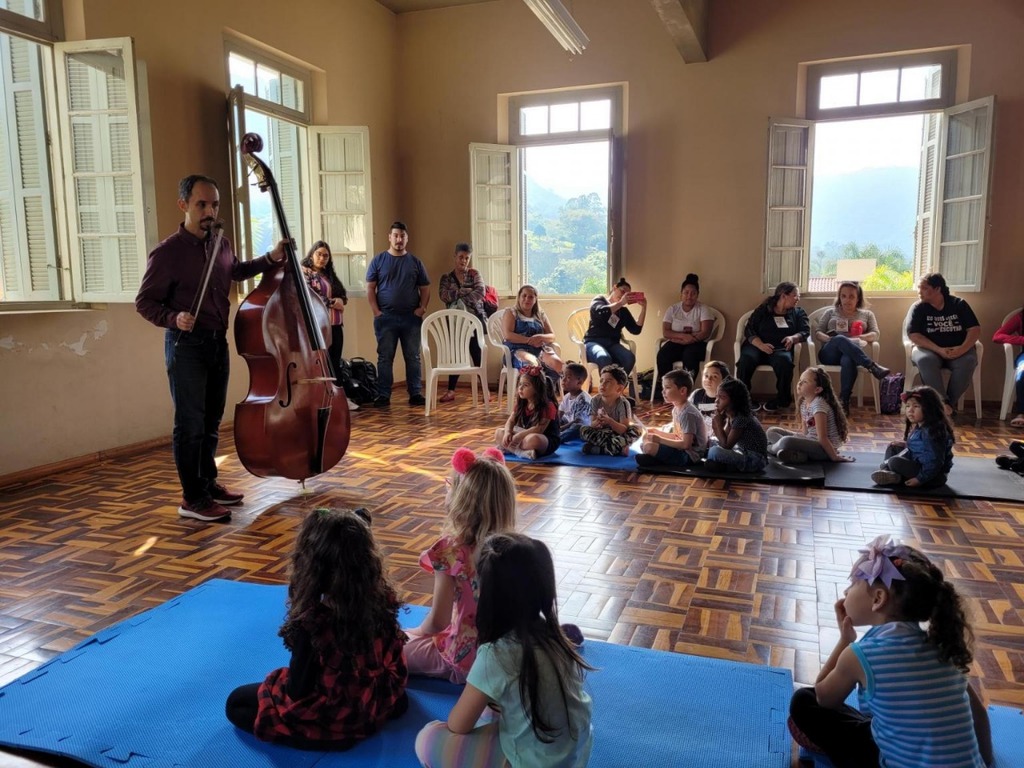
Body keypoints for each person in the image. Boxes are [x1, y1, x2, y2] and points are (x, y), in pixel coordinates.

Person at [135, 174, 287, 523]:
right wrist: (174, 318)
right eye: (202, 204)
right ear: (183, 205)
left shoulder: (221, 243)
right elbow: (144, 302)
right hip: (186, 344)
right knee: (189, 423)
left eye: (214, 204)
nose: (209, 211)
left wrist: (269, 257)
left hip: (217, 342)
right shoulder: (167, 253)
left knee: (211, 420)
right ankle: (192, 498)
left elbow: (235, 272)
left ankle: (208, 483)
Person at [788, 536, 992, 768]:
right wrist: (988, 763)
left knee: (803, 701)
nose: (846, 590)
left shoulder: (859, 655)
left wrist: (845, 640)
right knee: (888, 719)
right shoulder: (942, 646)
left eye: (854, 583)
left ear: (878, 599)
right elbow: (980, 716)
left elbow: (822, 697)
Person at [225, 507, 408, 750]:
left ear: (312, 566)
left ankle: (329, 736)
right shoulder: (384, 600)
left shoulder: (314, 623)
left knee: (236, 702)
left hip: (336, 716)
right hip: (376, 700)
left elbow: (297, 690)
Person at [415, 533, 594, 768]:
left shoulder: (496, 654)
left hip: (530, 762)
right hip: (574, 755)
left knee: (427, 738)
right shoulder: (557, 637)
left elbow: (458, 724)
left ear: (486, 593)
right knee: (496, 708)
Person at [405, 447, 517, 683]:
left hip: (467, 661)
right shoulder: (519, 548)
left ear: (460, 500)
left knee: (392, 651)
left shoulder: (451, 551)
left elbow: (438, 621)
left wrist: (412, 633)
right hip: (510, 658)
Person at [366, 221, 430, 408]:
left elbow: (425, 288)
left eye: (402, 236)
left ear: (407, 238)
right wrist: (376, 312)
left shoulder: (415, 262)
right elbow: (370, 288)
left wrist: (422, 309)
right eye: (395, 235)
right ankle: (384, 395)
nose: (399, 239)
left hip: (411, 318)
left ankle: (415, 393)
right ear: (389, 237)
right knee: (385, 357)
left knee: (413, 357)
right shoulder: (378, 261)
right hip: (385, 318)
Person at [906, 273, 981, 415]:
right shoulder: (919, 308)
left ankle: (947, 405)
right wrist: (938, 349)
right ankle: (942, 403)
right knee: (925, 360)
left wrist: (961, 349)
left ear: (937, 289)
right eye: (918, 288)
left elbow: (975, 329)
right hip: (930, 349)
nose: (919, 291)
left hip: (959, 349)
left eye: (924, 288)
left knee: (969, 361)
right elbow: (913, 334)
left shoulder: (959, 304)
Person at [813, 281, 890, 414]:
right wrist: (831, 339)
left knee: (848, 359)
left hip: (852, 353)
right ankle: (872, 366)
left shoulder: (867, 315)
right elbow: (818, 332)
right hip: (829, 353)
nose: (847, 300)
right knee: (840, 339)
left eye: (851, 296)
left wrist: (860, 337)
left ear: (858, 298)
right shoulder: (830, 312)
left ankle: (844, 401)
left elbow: (875, 334)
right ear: (839, 297)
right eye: (843, 296)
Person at [301, 240, 358, 411]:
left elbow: (343, 297)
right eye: (319, 254)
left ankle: (340, 399)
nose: (322, 258)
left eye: (326, 255)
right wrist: (334, 302)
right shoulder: (306, 273)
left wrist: (340, 301)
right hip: (319, 326)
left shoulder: (329, 275)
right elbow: (311, 296)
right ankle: (322, 400)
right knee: (320, 364)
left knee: (335, 363)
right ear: (312, 254)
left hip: (335, 324)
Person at [736, 281, 809, 413]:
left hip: (780, 349)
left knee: (785, 362)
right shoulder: (763, 310)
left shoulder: (798, 313)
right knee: (746, 360)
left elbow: (805, 331)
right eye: (795, 295)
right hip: (756, 346)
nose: (798, 299)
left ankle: (782, 400)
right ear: (783, 296)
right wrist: (760, 345)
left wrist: (793, 338)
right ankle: (743, 400)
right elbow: (749, 329)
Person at [871, 385, 954, 488]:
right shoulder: (922, 425)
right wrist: (906, 445)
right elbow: (921, 448)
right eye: (908, 406)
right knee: (893, 447)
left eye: (916, 406)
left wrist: (920, 479)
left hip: (933, 476)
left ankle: (895, 477)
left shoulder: (932, 432)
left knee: (894, 461)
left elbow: (934, 461)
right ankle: (887, 472)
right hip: (919, 462)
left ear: (929, 409)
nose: (910, 410)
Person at [767, 367, 853, 464]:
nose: (799, 383)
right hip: (811, 442)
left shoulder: (819, 405)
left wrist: (834, 457)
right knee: (772, 431)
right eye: (800, 380)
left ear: (817, 389)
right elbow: (805, 432)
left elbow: (823, 437)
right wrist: (799, 442)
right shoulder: (804, 403)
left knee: (786, 441)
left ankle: (769, 448)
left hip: (823, 449)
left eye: (805, 382)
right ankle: (798, 455)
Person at [438, 243, 488, 403]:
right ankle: (451, 391)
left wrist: (458, 298)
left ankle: (485, 391)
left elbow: (480, 292)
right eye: (461, 257)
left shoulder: (474, 274)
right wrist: (466, 293)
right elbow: (444, 295)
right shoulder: (446, 278)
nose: (464, 261)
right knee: (456, 355)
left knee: (476, 353)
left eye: (467, 258)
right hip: (456, 323)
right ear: (455, 257)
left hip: (474, 320)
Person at [653, 274, 715, 400]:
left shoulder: (703, 309)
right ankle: (668, 390)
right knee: (663, 355)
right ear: (681, 294)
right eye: (686, 293)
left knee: (690, 356)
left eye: (693, 293)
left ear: (697, 294)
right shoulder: (673, 309)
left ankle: (685, 392)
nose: (689, 296)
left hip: (697, 343)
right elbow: (666, 332)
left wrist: (691, 339)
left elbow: (705, 332)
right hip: (676, 342)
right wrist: (682, 337)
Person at [637, 369, 708, 468]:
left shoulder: (687, 413)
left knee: (649, 447)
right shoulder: (676, 409)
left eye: (667, 388)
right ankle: (654, 458)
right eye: (663, 388)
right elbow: (677, 436)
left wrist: (660, 439)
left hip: (690, 456)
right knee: (647, 437)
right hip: (681, 449)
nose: (663, 392)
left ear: (682, 390)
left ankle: (655, 459)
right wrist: (657, 433)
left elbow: (686, 445)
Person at [583, 277, 647, 378]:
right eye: (622, 291)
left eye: (627, 294)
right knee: (604, 357)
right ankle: (606, 390)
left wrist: (644, 308)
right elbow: (601, 313)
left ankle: (617, 388)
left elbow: (636, 330)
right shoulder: (600, 300)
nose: (624, 295)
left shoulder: (623, 311)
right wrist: (621, 302)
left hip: (612, 344)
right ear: (614, 288)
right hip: (593, 342)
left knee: (629, 358)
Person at [501, 284, 564, 383]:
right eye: (524, 296)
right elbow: (508, 335)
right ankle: (531, 396)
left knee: (557, 363)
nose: (527, 299)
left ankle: (545, 393)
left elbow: (552, 336)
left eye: (531, 297)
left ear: (535, 299)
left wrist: (540, 337)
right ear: (519, 298)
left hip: (538, 350)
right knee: (531, 362)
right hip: (516, 351)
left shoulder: (540, 314)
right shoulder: (511, 312)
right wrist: (529, 340)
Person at [704, 378, 769, 473]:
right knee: (710, 441)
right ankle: (725, 465)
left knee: (714, 451)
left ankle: (725, 465)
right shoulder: (731, 415)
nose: (717, 401)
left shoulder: (741, 418)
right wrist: (720, 423)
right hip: (741, 451)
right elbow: (724, 438)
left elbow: (726, 446)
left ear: (734, 401)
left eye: (722, 397)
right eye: (717, 396)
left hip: (756, 460)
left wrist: (717, 425)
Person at [496, 366, 560, 460]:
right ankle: (521, 452)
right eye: (520, 384)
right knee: (499, 433)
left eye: (526, 385)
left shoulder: (548, 405)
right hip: (524, 435)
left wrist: (519, 436)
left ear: (537, 389)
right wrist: (507, 432)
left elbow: (539, 429)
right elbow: (510, 421)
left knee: (534, 439)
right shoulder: (522, 403)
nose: (520, 388)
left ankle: (510, 449)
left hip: (544, 439)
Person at [579, 364, 642, 456]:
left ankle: (598, 449)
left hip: (617, 434)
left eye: (608, 382)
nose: (602, 384)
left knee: (637, 429)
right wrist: (598, 422)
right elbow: (592, 424)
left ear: (619, 388)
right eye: (601, 381)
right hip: (602, 433)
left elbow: (623, 430)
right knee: (583, 429)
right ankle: (615, 448)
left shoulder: (623, 403)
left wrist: (610, 421)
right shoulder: (595, 400)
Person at [992, 303, 1024, 427]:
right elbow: (997, 336)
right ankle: (1022, 413)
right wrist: (1021, 340)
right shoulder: (1020, 317)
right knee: (1022, 373)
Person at [690, 360, 730, 442]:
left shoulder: (727, 401)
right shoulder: (696, 394)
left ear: (724, 381)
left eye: (714, 376)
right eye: (706, 376)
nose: (708, 379)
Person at [558, 362, 592, 443]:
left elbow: (578, 422)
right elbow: (559, 415)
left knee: (577, 427)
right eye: (563, 376)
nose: (563, 380)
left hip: (583, 429)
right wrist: (555, 424)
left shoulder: (582, 399)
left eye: (568, 377)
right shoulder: (567, 397)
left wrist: (560, 428)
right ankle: (555, 434)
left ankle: (556, 439)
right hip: (569, 424)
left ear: (579, 382)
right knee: (554, 419)